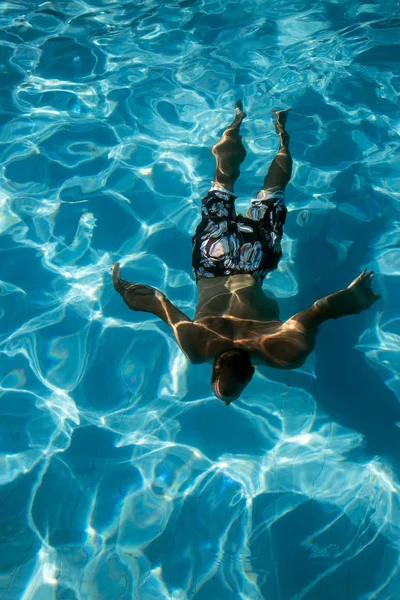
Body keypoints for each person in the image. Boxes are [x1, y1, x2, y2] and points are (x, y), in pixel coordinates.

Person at [112, 101, 380, 405]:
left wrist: (354, 298)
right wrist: (124, 290)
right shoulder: (196, 344)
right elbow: (158, 302)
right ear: (215, 366)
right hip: (212, 260)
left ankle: (282, 135)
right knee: (222, 184)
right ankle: (237, 119)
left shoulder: (283, 351)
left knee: (272, 192)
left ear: (250, 374)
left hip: (254, 262)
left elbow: (319, 310)